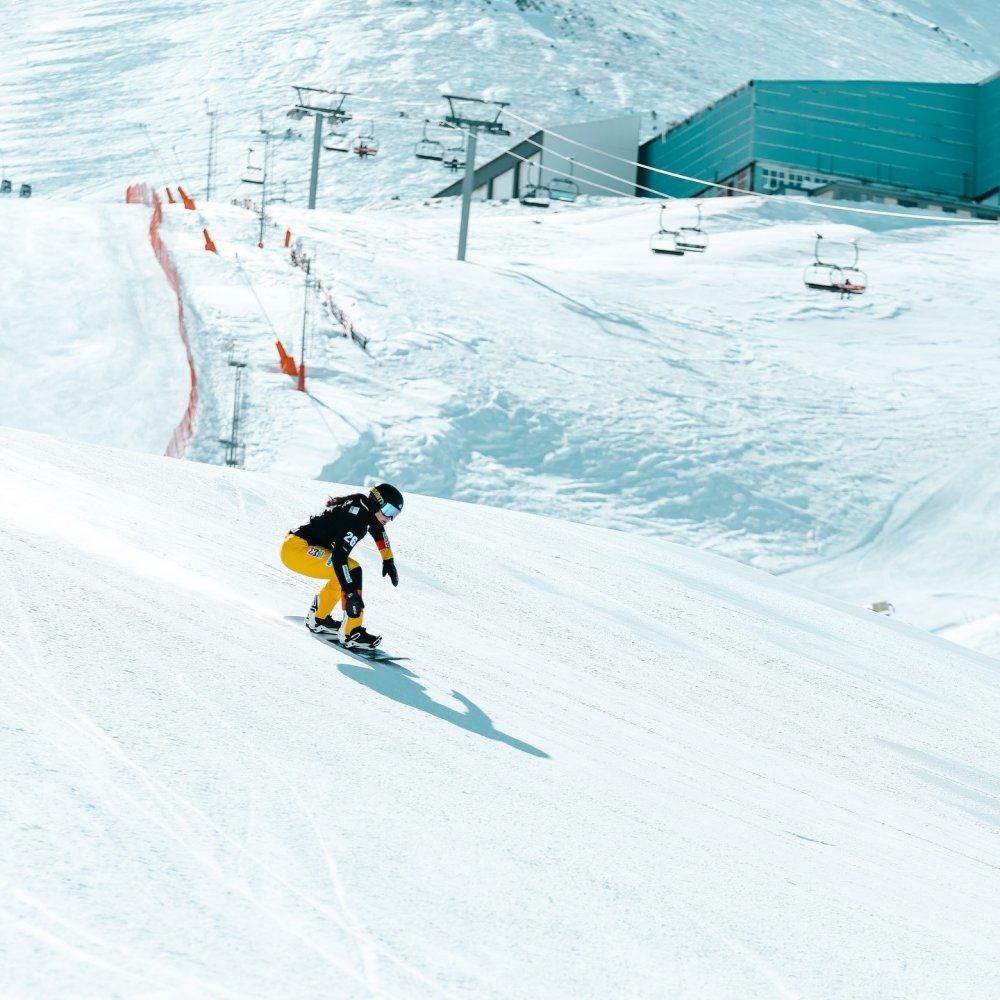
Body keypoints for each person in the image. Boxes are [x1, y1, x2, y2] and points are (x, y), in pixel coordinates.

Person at [280, 483, 403, 649]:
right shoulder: (357, 518)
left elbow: (378, 531)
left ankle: (319, 618)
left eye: (394, 514)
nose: (389, 518)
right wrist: (351, 593)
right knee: (352, 570)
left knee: (344, 574)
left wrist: (388, 560)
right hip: (297, 550)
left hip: (295, 545)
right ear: (376, 502)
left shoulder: (364, 509)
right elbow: (339, 558)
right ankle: (352, 633)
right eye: (388, 511)